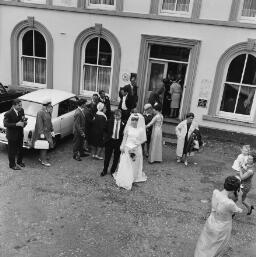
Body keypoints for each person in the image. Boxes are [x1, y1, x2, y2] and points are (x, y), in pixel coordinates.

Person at [194, 176, 243, 257]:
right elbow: (239, 210)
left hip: (211, 220)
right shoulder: (230, 203)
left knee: (206, 240)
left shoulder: (215, 192)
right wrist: (240, 196)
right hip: (222, 226)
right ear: (235, 189)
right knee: (217, 245)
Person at [113, 113, 147, 190]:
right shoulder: (128, 128)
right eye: (133, 120)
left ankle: (132, 178)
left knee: (134, 164)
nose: (134, 121)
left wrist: (138, 143)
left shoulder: (141, 129)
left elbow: (144, 139)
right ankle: (124, 178)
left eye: (136, 120)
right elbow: (125, 138)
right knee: (125, 163)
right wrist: (122, 146)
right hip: (127, 147)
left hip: (136, 148)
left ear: (138, 121)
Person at [3, 99, 27, 170]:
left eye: (21, 105)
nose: (21, 106)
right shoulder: (8, 113)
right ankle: (12, 165)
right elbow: (5, 124)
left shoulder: (21, 110)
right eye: (19, 105)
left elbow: (23, 119)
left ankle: (19, 161)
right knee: (12, 151)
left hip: (20, 133)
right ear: (14, 105)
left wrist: (24, 122)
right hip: (12, 135)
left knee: (20, 149)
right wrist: (16, 124)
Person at [101, 109, 125, 176]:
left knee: (116, 158)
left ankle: (112, 171)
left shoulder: (123, 123)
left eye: (118, 116)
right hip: (110, 141)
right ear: (114, 115)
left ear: (121, 115)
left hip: (118, 142)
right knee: (107, 157)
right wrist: (106, 137)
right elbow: (104, 130)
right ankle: (104, 170)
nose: (117, 117)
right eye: (115, 116)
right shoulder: (109, 121)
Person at [32, 99, 55, 167]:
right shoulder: (40, 112)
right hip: (42, 132)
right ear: (45, 106)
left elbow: (50, 122)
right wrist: (41, 133)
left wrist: (52, 130)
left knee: (45, 145)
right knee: (44, 146)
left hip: (47, 132)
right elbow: (39, 123)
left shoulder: (48, 112)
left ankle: (42, 157)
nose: (50, 107)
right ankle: (43, 161)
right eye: (49, 105)